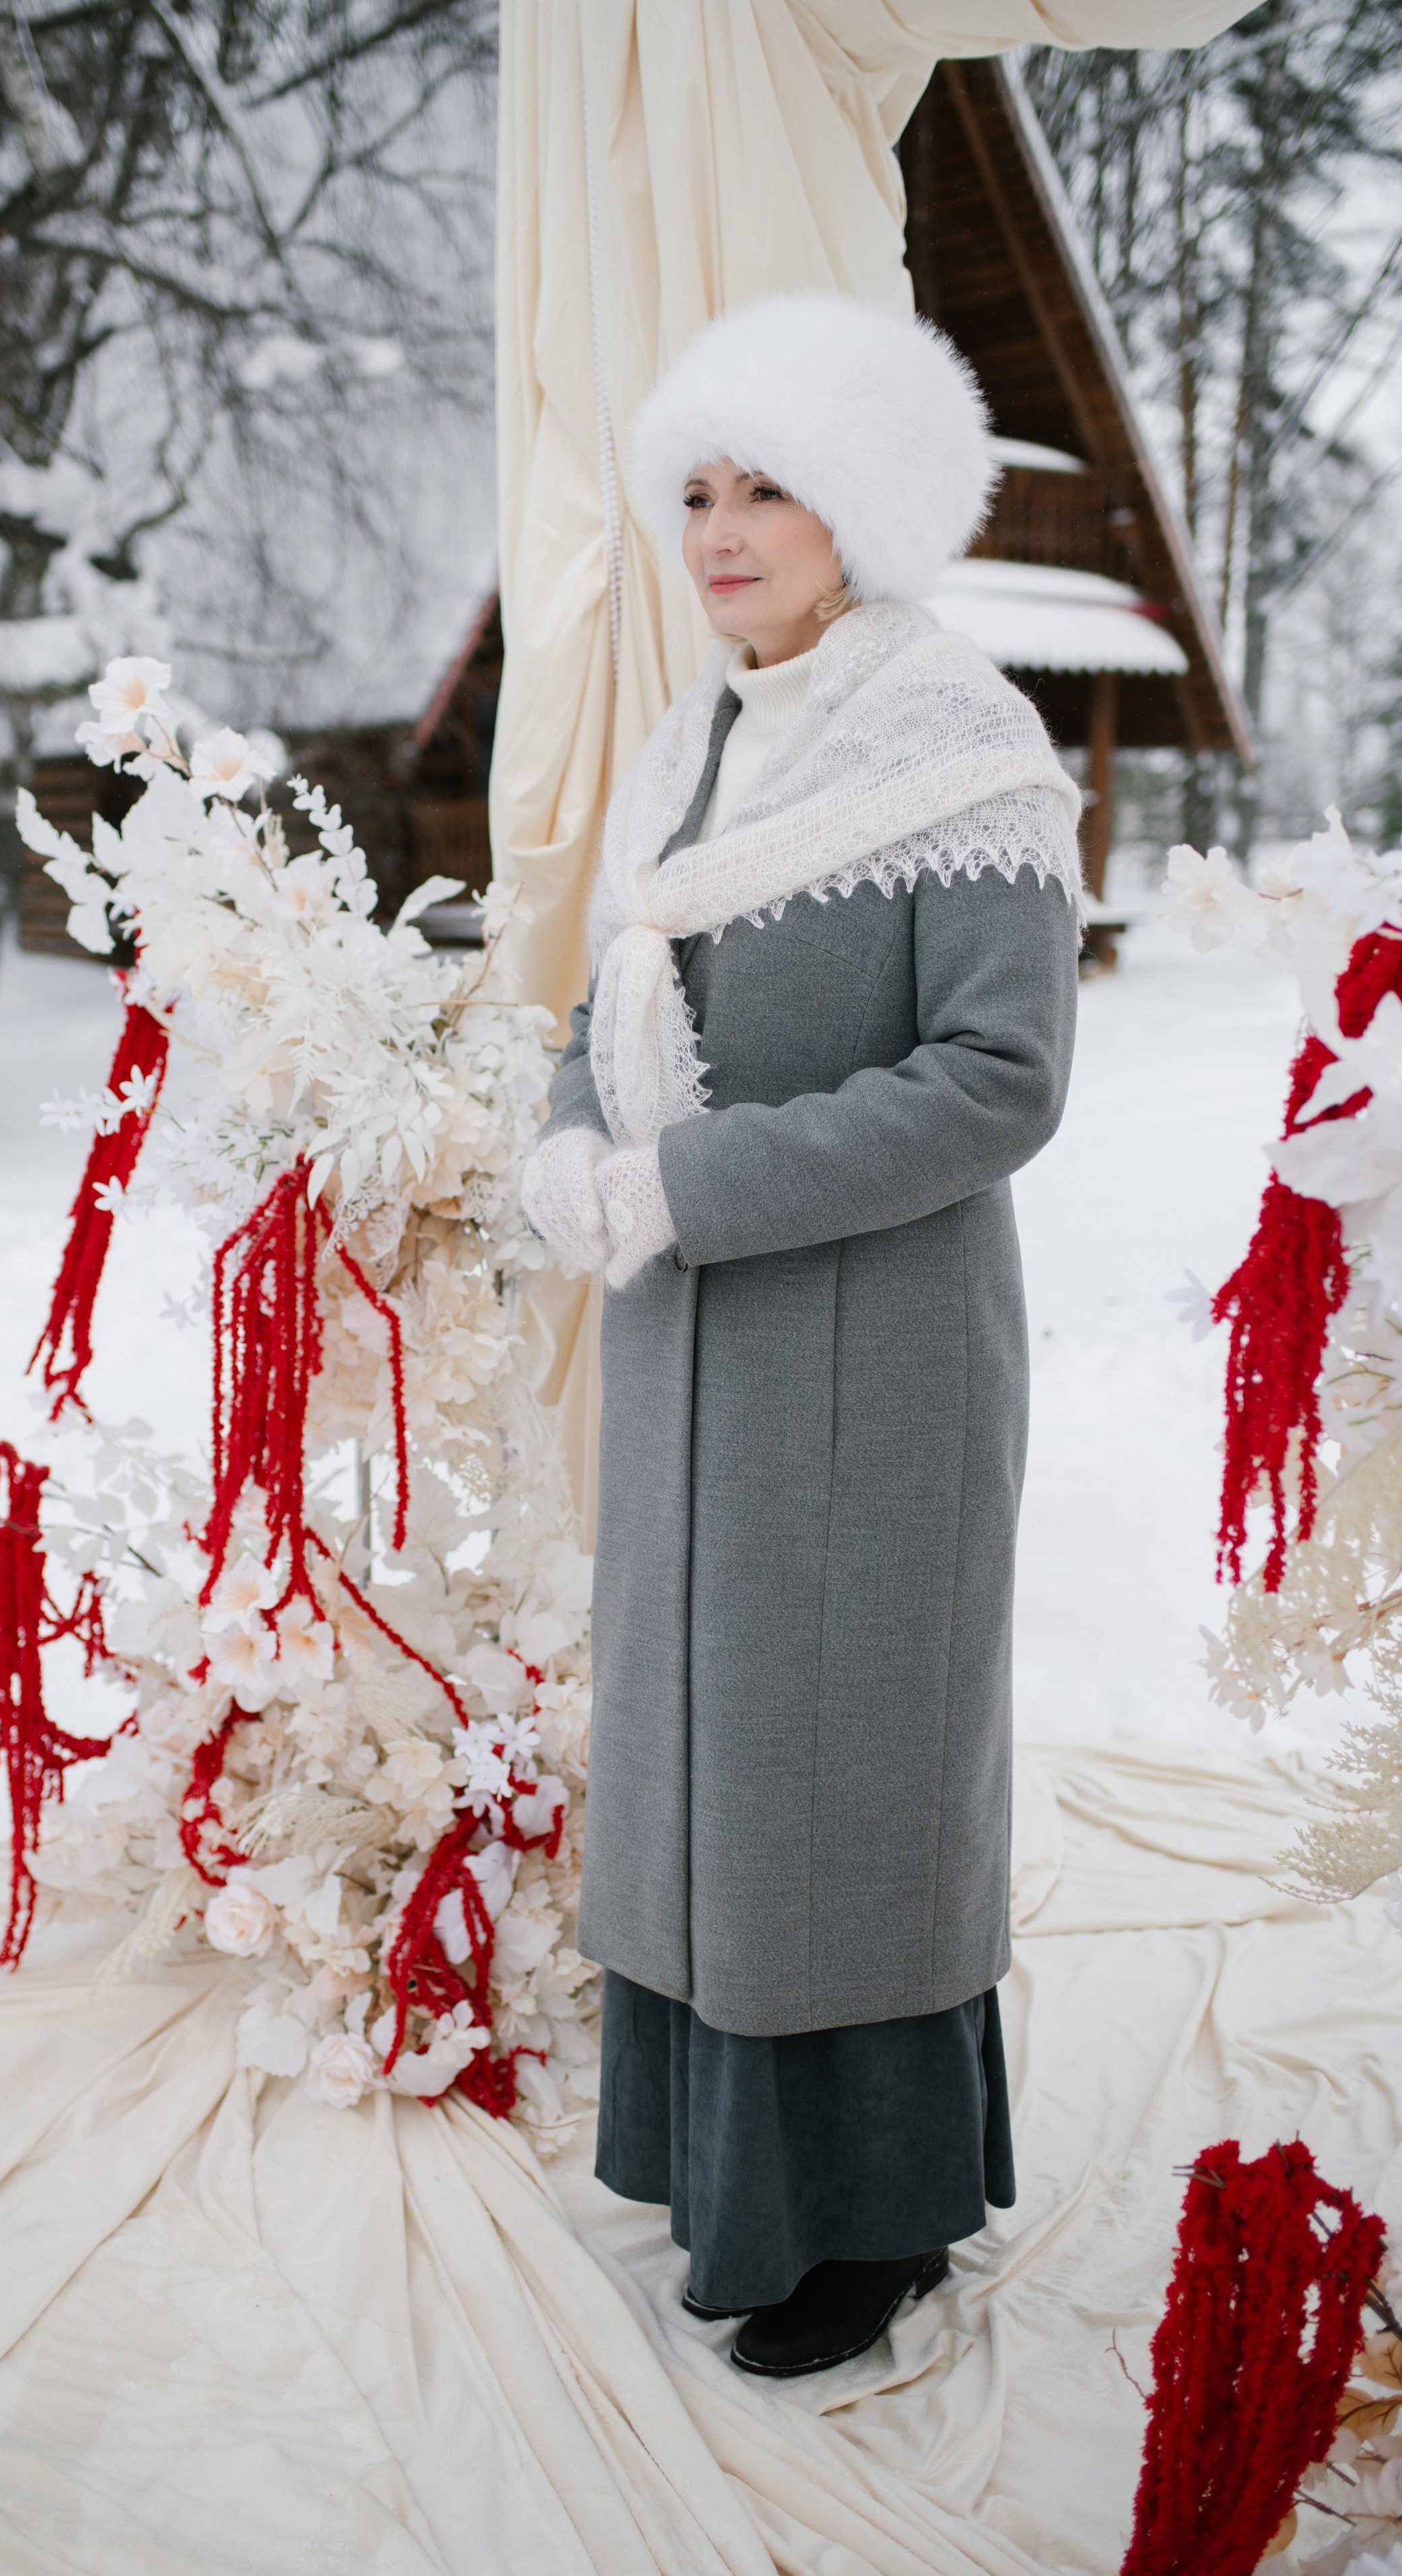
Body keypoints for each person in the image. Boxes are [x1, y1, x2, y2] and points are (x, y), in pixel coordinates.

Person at [520, 294, 1082, 2379]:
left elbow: (1002, 1078)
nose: (724, 530)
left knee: (848, 1779)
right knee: (712, 1764)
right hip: (690, 1362)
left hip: (876, 1358)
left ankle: (876, 2213)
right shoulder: (693, 747)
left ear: (864, 502)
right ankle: (723, 2166)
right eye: (697, 492)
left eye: (767, 488)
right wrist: (572, 1143)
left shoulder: (963, 743)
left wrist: (697, 1182)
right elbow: (613, 1015)